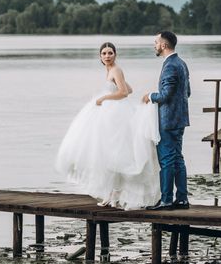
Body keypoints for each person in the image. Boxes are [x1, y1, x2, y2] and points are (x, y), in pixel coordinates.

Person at [55, 42, 161, 210]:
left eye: (110, 53)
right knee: (109, 154)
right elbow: (129, 89)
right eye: (104, 53)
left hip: (117, 115)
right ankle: (112, 195)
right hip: (114, 113)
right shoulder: (111, 71)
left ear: (115, 55)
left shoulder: (116, 70)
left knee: (115, 154)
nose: (107, 56)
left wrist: (103, 99)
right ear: (100, 56)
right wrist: (111, 92)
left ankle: (114, 195)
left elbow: (124, 93)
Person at [143, 31, 191, 210]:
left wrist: (150, 96)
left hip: (168, 120)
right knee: (178, 158)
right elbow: (187, 92)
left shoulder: (170, 65)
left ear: (163, 45)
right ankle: (182, 198)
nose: (154, 45)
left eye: (156, 42)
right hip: (180, 119)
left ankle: (166, 200)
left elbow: (165, 95)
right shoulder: (182, 63)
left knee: (167, 160)